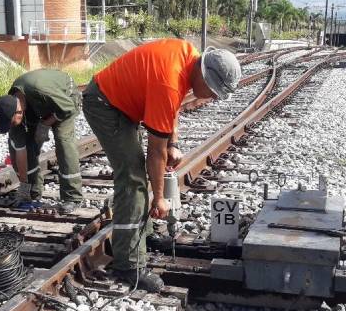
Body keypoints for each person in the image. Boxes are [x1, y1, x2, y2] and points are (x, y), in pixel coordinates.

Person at [83, 38, 242, 293]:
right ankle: (128, 264)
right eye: (213, 91)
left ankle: (141, 236)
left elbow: (173, 106)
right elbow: (155, 153)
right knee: (133, 178)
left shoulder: (187, 55)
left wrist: (174, 143)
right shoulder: (168, 80)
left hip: (119, 102)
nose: (211, 98)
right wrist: (159, 198)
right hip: (105, 105)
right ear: (203, 75)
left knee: (140, 173)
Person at [0, 69, 84, 214]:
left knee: (63, 142)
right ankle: (33, 192)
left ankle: (72, 197)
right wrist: (23, 186)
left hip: (65, 100)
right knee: (19, 144)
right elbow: (21, 151)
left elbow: (68, 107)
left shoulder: (39, 89)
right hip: (38, 106)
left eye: (11, 123)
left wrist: (46, 124)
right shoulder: (12, 106)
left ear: (19, 112)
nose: (12, 127)